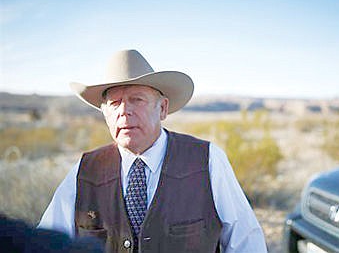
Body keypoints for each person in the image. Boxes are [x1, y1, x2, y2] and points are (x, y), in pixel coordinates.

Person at [38, 49, 268, 253]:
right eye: (115, 104)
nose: (124, 112)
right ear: (105, 113)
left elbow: (245, 242)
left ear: (163, 108)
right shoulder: (85, 170)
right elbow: (47, 242)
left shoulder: (206, 160)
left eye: (136, 100)